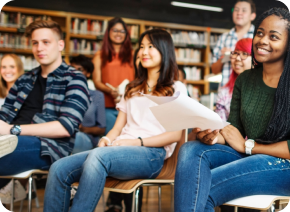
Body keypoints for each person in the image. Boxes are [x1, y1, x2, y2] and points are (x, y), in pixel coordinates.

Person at [43, 28, 187, 212]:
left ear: (164, 50)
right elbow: (117, 127)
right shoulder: (132, 88)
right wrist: (107, 139)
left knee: (98, 157)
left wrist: (136, 142)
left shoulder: (176, 88)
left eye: (151, 46)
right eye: (142, 46)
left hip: (152, 155)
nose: (144, 52)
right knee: (58, 168)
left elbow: (175, 135)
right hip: (119, 148)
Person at [174, 7, 290, 212]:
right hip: (250, 155)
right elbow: (234, 130)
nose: (262, 40)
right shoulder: (245, 79)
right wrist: (212, 136)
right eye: (260, 33)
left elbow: (244, 143)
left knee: (203, 188)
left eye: (274, 37)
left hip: (283, 165)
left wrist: (249, 147)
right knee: (190, 149)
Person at [0, 20, 90, 204]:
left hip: (47, 147)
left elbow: (66, 127)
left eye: (46, 42)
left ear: (60, 45)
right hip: (7, 140)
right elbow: (3, 115)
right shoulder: (24, 79)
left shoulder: (75, 78)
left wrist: (12, 130)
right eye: (35, 43)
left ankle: (11, 188)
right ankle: (9, 189)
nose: (39, 47)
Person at [92, 17, 135, 135]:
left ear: (126, 34)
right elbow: (97, 81)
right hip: (108, 107)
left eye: (122, 31)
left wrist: (126, 90)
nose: (118, 34)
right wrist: (111, 91)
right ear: (108, 32)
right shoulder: (99, 55)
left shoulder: (134, 55)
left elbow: (139, 79)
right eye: (115, 30)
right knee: (110, 141)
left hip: (130, 107)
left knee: (127, 141)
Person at [211, 0, 256, 87]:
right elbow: (214, 70)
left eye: (244, 10)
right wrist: (225, 57)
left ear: (252, 16)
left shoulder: (258, 37)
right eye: (236, 10)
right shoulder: (223, 38)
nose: (239, 13)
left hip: (250, 90)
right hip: (226, 94)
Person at [70, 55, 106, 153]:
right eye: (72, 69)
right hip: (64, 135)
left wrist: (82, 129)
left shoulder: (97, 96)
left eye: (80, 69)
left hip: (85, 137)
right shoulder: (63, 94)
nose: (75, 72)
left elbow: (101, 129)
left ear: (88, 73)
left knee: (75, 138)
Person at [215, 38, 252, 121]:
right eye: (235, 53)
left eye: (244, 54)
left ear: (255, 60)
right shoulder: (224, 92)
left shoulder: (263, 91)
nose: (237, 58)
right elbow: (219, 125)